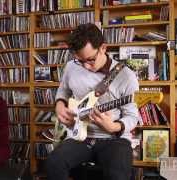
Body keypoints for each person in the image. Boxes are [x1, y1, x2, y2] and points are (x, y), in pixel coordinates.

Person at [45, 23, 139, 180]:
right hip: (79, 136)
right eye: (80, 61)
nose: (86, 66)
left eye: (90, 60)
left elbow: (132, 117)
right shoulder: (71, 67)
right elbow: (63, 90)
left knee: (118, 173)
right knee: (54, 162)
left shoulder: (126, 76)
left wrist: (114, 126)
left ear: (103, 48)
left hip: (113, 139)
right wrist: (59, 105)